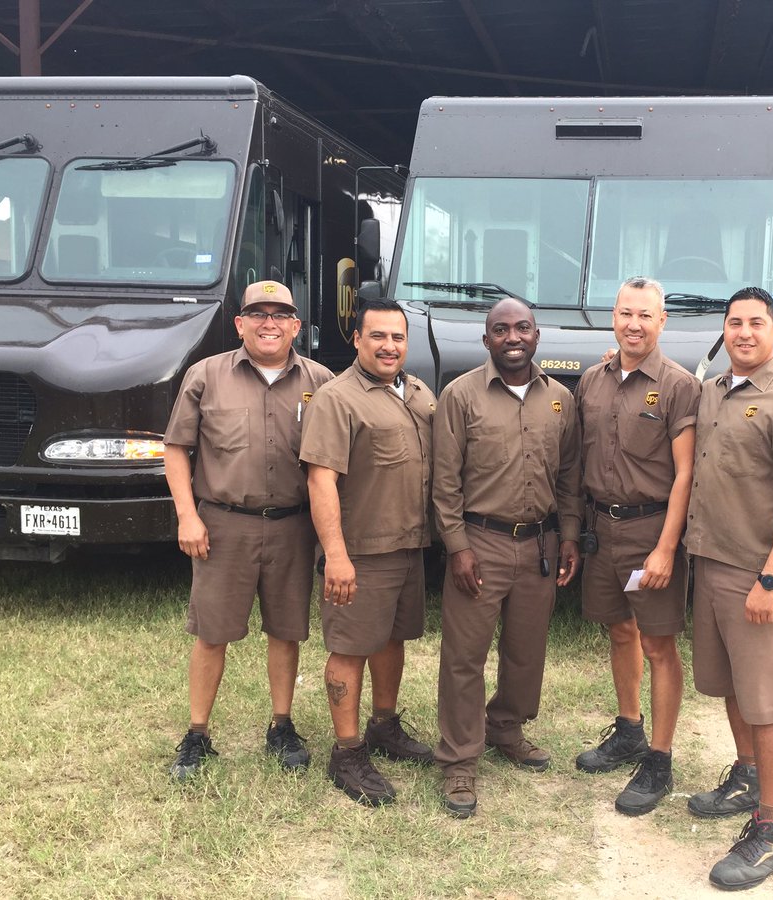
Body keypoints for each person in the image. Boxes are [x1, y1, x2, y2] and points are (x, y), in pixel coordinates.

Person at [684, 286, 773, 890]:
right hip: (711, 567)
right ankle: (746, 776)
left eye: (756, 323)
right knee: (731, 687)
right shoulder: (716, 389)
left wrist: (771, 579)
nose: (744, 333)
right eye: (734, 322)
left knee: (765, 702)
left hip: (756, 575)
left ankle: (771, 829)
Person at [163, 280, 334, 781]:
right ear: (239, 324)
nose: (269, 323)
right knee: (211, 633)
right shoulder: (206, 375)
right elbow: (176, 448)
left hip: (293, 526)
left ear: (296, 326)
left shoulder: (322, 381)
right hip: (223, 525)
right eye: (258, 313)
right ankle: (197, 734)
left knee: (286, 630)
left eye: (280, 314)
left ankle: (282, 726)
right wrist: (187, 515)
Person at [432, 297, 583, 818]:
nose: (512, 337)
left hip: (540, 544)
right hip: (481, 543)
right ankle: (459, 759)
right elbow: (445, 483)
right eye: (501, 329)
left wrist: (569, 536)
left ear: (537, 335)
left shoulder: (560, 399)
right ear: (487, 339)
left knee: (526, 650)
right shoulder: (460, 395)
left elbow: (569, 476)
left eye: (522, 328)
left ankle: (506, 727)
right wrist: (458, 547)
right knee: (464, 657)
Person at [299, 299, 437, 806]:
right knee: (351, 648)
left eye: (398, 337)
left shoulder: (418, 392)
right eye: (377, 336)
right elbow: (321, 481)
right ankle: (347, 750)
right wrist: (336, 555)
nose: (388, 346)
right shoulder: (337, 399)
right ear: (356, 339)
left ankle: (384, 725)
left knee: (391, 640)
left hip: (409, 545)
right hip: (360, 552)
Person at [572, 276, 700, 815]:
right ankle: (629, 729)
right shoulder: (591, 381)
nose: (634, 324)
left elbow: (686, 473)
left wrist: (666, 548)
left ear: (662, 321)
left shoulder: (678, 386)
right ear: (613, 316)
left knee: (658, 644)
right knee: (619, 630)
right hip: (602, 530)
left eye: (646, 315)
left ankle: (660, 758)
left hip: (651, 531)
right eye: (626, 313)